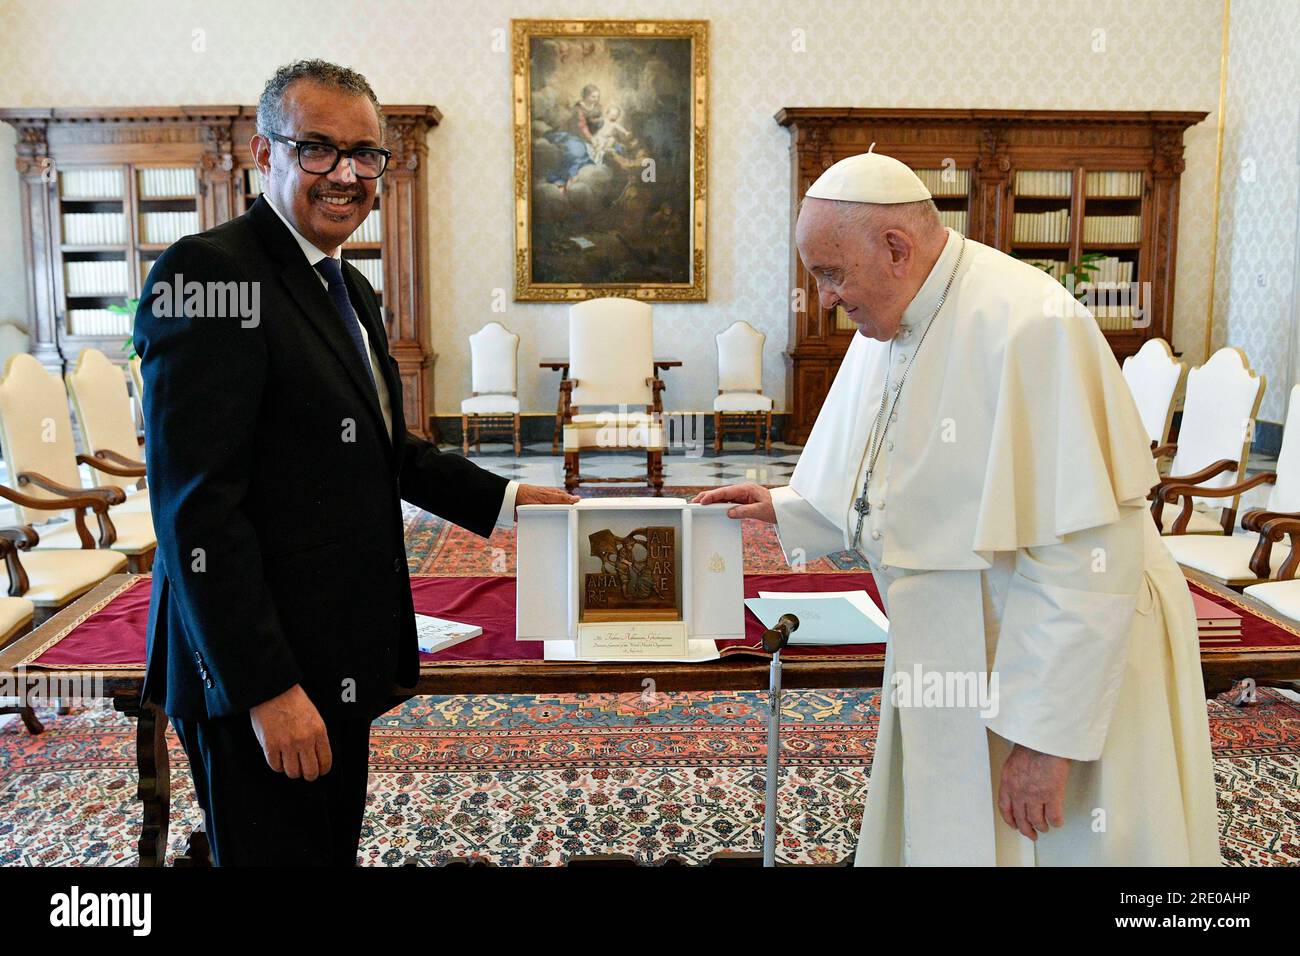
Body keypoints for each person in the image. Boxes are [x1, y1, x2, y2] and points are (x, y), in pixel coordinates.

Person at [695, 150, 1220, 866]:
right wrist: (788, 506)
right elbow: (883, 469)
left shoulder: (1032, 325)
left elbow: (1088, 553)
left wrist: (1044, 739)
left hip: (1061, 657)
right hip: (952, 634)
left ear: (896, 248)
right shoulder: (894, 312)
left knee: (1064, 839)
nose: (821, 296)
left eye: (830, 273)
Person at [134, 59, 576, 866]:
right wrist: (267, 690)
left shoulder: (349, 286)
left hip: (333, 653)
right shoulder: (210, 276)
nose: (346, 174)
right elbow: (196, 511)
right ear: (264, 155)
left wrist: (513, 501)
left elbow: (385, 448)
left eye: (365, 153)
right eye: (316, 149)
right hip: (258, 674)